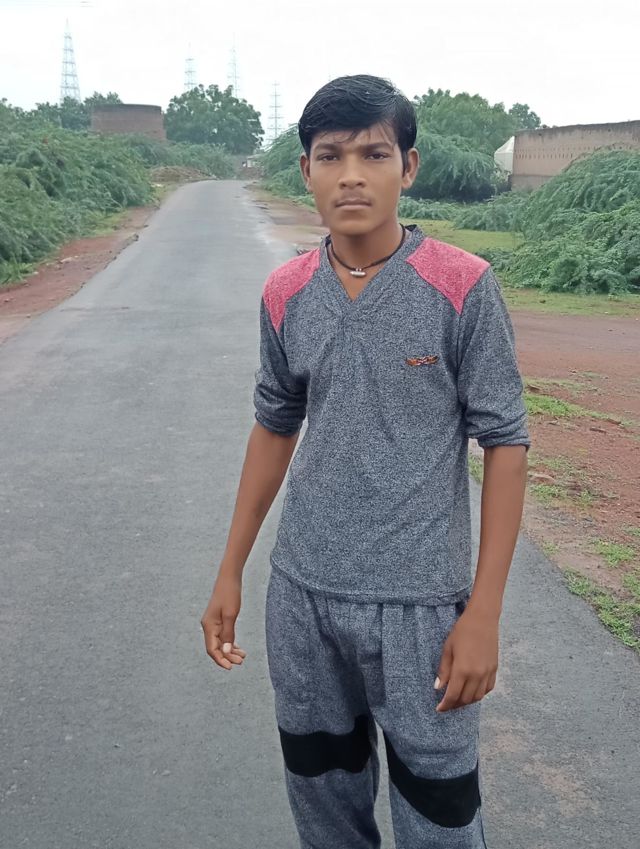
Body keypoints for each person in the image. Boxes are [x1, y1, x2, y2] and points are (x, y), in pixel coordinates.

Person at [201, 74, 530, 849]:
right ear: (306, 171)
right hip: (304, 596)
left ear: (407, 167)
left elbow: (506, 443)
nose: (352, 174)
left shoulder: (463, 287)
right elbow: (274, 426)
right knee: (324, 805)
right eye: (331, 156)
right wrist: (230, 569)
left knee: (441, 814)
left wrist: (483, 612)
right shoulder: (286, 292)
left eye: (374, 154)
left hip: (422, 607)